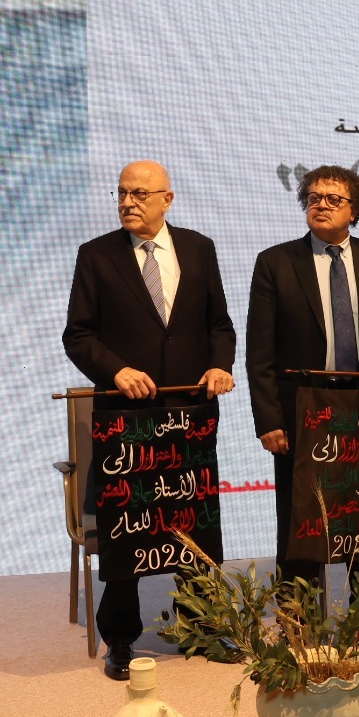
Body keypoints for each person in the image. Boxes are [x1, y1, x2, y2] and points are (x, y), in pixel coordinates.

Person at [63, 160, 237, 679]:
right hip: (127, 419)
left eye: (139, 193)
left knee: (193, 525)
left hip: (190, 415)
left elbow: (220, 324)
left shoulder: (199, 248)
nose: (127, 202)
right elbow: (78, 335)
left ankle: (201, 626)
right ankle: (121, 638)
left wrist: (220, 365)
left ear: (167, 198)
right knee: (127, 529)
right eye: (121, 193)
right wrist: (115, 370)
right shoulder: (96, 254)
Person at [247, 164, 359, 650]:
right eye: (314, 197)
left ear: (355, 210)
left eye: (333, 198)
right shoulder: (276, 262)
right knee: (302, 521)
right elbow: (259, 352)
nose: (320, 204)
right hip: (302, 410)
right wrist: (268, 419)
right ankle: (300, 626)